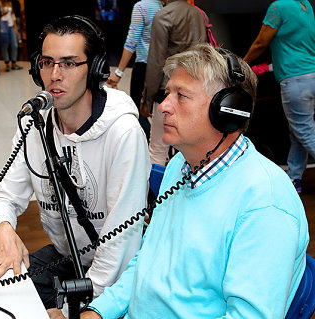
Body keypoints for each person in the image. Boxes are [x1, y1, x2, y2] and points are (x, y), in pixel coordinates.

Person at [81, 44, 309, 318]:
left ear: (227, 111)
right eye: (167, 94)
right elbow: (148, 260)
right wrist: (98, 311)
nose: (163, 106)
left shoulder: (265, 203)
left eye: (182, 96)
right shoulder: (181, 164)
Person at [0, 15, 150, 319]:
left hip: (116, 270)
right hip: (67, 255)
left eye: (69, 63)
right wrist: (3, 229)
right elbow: (3, 198)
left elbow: (120, 244)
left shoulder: (122, 132)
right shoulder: (35, 123)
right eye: (47, 62)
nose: (55, 75)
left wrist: (84, 310)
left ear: (95, 70)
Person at [243, 0, 315, 193]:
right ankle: (294, 177)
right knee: (298, 131)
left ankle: (294, 176)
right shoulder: (305, 5)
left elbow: (260, 42)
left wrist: (243, 63)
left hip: (295, 78)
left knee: (304, 131)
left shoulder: (279, 6)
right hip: (311, 75)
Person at [140, 0, 208, 165]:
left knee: (157, 150)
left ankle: (158, 191)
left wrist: (147, 100)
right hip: (195, 90)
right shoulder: (200, 14)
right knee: (189, 148)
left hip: (168, 91)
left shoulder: (163, 16)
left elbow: (156, 61)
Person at [106, 0, 163, 141]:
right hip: (164, 68)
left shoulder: (142, 6)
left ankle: (147, 148)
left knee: (137, 112)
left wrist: (119, 73)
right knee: (160, 113)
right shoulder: (167, 7)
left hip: (144, 66)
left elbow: (132, 40)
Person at [0, 0, 23, 72]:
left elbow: (13, 15)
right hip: (3, 25)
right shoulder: (0, 3)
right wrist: (3, 14)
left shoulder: (10, 3)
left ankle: (14, 63)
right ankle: (7, 64)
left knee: (15, 45)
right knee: (4, 46)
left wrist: (15, 28)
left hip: (11, 25)